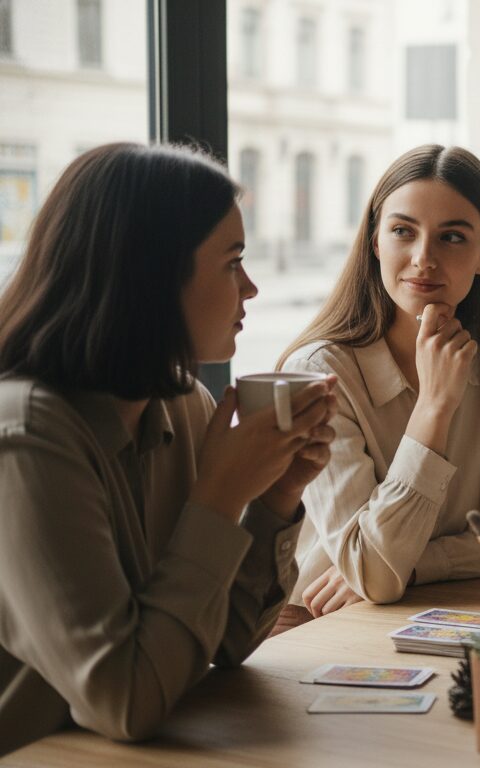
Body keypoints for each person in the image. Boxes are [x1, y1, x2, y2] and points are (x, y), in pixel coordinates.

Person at [0, 143, 337, 755]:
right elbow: (126, 700)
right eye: (232, 262)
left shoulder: (183, 406)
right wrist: (220, 494)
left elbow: (226, 642)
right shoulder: (26, 435)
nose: (252, 287)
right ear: (151, 278)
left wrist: (277, 498)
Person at [276, 144, 480, 629]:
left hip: (440, 609)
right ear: (375, 242)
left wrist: (413, 565)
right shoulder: (317, 374)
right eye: (403, 231)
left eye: (452, 237)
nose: (424, 258)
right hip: (320, 625)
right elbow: (376, 577)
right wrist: (434, 407)